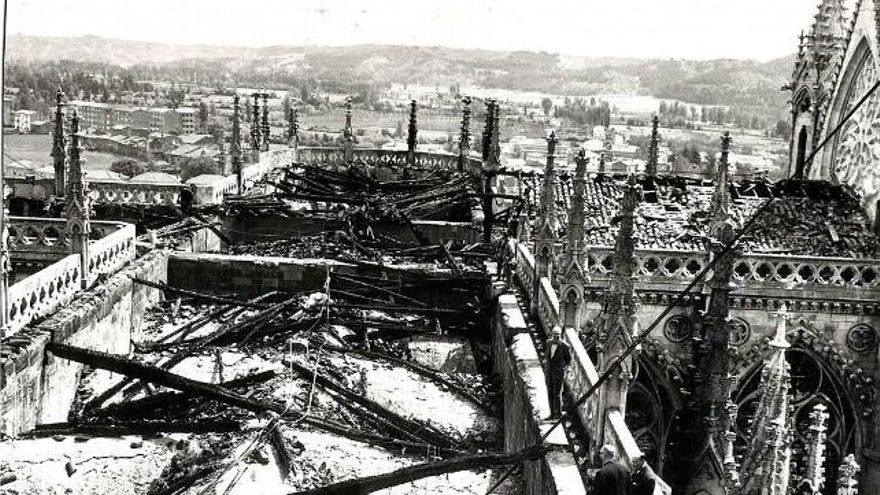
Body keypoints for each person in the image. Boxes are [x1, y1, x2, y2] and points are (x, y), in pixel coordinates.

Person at [546, 325, 572, 418]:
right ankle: (552, 413)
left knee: (557, 394)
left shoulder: (564, 346)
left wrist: (564, 370)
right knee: (550, 392)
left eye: (557, 335)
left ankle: (558, 414)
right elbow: (548, 357)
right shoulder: (548, 343)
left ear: (560, 335)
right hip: (549, 372)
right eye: (554, 335)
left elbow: (568, 360)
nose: (555, 337)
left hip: (559, 373)